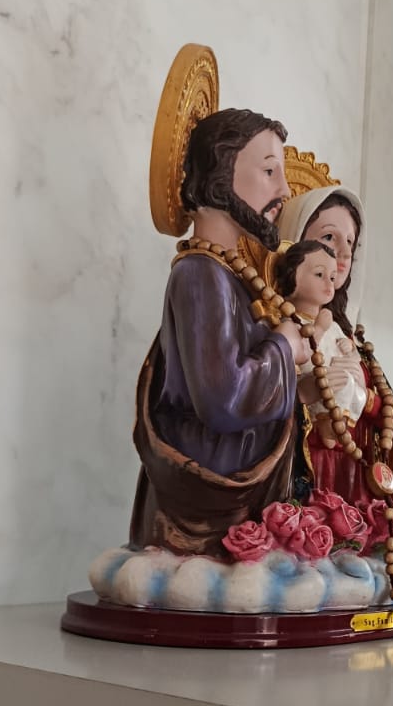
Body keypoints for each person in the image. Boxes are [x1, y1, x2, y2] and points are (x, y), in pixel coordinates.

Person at [130, 108, 307, 554]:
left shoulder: (228, 273)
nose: (284, 190)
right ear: (221, 173)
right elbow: (224, 397)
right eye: (269, 171)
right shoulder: (200, 275)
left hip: (235, 499)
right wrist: (283, 347)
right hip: (206, 511)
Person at [275, 186, 393, 507]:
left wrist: (365, 398)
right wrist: (302, 394)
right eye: (328, 238)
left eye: (350, 242)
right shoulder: (277, 329)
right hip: (302, 476)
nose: (343, 253)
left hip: (351, 480)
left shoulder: (351, 341)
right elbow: (253, 405)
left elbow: (392, 418)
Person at [273, 239, 368, 446]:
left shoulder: (333, 324)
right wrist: (319, 328)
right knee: (337, 382)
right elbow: (296, 354)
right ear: (293, 277)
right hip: (312, 389)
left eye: (332, 277)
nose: (329, 284)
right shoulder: (289, 323)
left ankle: (339, 425)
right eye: (319, 275)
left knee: (349, 384)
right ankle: (326, 426)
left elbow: (350, 353)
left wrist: (350, 350)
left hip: (338, 383)